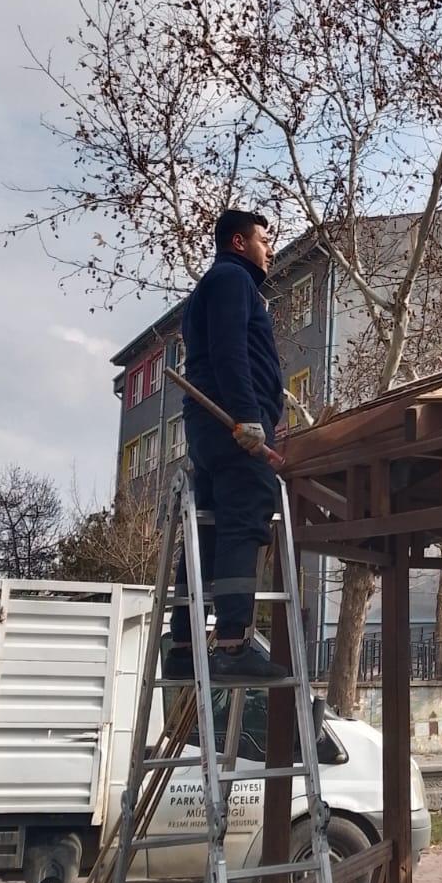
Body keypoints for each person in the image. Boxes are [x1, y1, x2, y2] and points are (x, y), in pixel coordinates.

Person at [164, 209, 288, 683]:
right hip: (232, 425)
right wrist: (249, 417)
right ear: (238, 242)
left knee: (209, 531)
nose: (269, 248)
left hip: (212, 427)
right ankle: (234, 646)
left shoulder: (216, 285)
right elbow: (230, 350)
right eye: (263, 239)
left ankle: (183, 645)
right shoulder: (232, 281)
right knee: (247, 517)